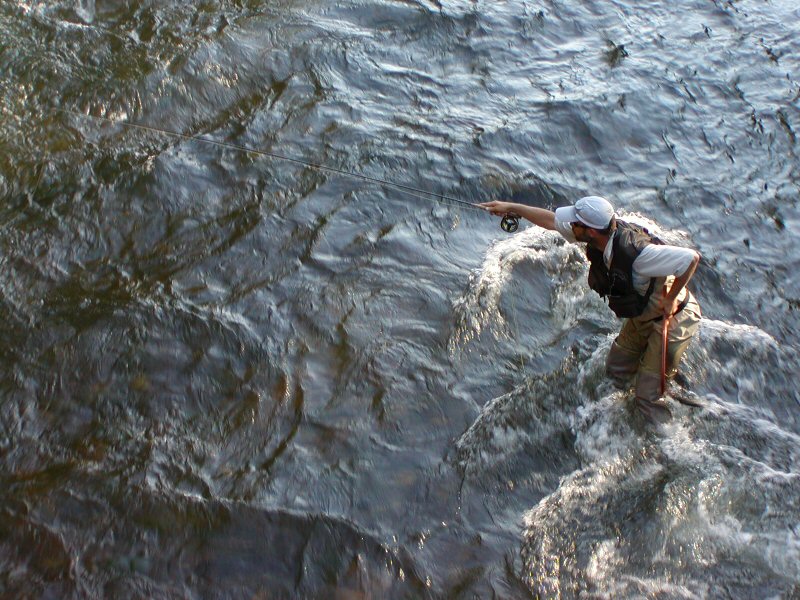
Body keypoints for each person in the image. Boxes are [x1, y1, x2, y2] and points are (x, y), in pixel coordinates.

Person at [478, 195, 701, 424]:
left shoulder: (640, 255)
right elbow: (551, 220)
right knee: (616, 371)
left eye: (575, 222)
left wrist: (671, 299)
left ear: (591, 231)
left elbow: (690, 259)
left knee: (646, 398)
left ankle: (663, 441)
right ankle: (654, 378)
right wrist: (514, 207)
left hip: (673, 318)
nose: (569, 225)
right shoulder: (598, 236)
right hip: (642, 315)